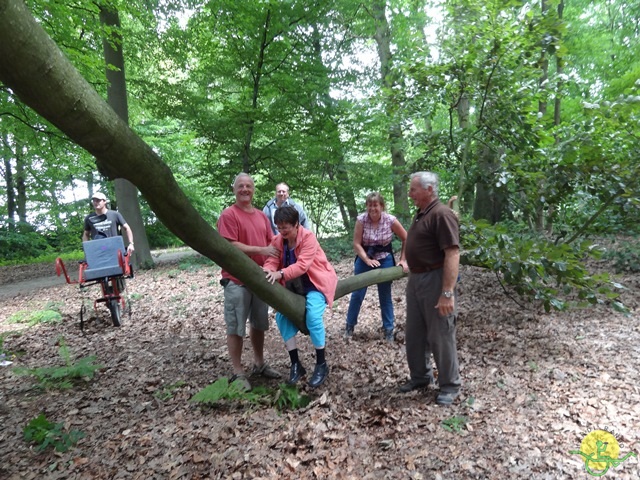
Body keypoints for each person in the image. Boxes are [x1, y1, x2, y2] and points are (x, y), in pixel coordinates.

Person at [399, 172, 461, 406]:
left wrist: (447, 292)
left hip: (435, 279)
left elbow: (452, 253)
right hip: (417, 280)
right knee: (415, 333)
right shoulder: (422, 213)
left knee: (440, 333)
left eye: (413, 189)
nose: (410, 194)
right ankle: (421, 377)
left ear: (429, 190)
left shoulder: (442, 214)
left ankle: (450, 385)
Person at [217, 173, 282, 391]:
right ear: (234, 189)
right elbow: (229, 245)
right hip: (236, 279)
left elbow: (272, 243)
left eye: (249, 186)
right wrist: (260, 250)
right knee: (236, 326)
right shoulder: (228, 215)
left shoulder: (262, 216)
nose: (245, 189)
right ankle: (237, 372)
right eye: (241, 186)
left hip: (260, 279)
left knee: (259, 324)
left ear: (253, 189)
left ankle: (259, 363)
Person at [263, 206, 337, 388]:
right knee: (281, 317)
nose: (282, 231)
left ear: (296, 224)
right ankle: (296, 363)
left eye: (285, 227)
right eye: (279, 227)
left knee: (313, 316)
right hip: (293, 288)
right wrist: (269, 270)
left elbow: (303, 265)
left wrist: (280, 274)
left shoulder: (308, 238)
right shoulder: (278, 240)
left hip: (315, 284)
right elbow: (272, 260)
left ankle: (321, 364)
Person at [344, 192, 409, 342]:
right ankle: (349, 326)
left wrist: (403, 260)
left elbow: (406, 238)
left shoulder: (391, 220)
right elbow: (356, 243)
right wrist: (366, 259)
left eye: (376, 205)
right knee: (357, 293)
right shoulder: (361, 220)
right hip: (365, 258)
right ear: (366, 206)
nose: (373, 208)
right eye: (370, 205)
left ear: (382, 206)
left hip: (384, 258)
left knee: (384, 294)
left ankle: (388, 330)